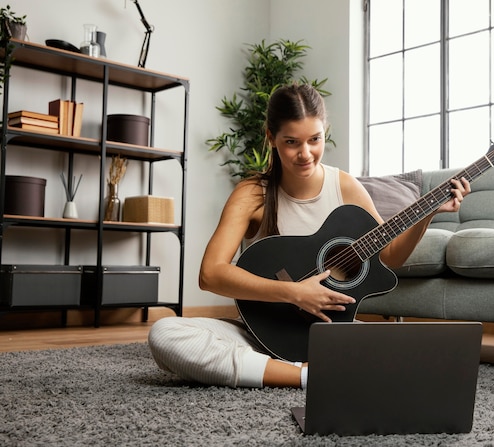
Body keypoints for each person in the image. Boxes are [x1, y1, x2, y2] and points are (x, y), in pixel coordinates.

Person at [148, 83, 470, 389]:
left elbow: (390, 256)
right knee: (165, 334)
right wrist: (294, 293)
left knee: (425, 354)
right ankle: (305, 376)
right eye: (292, 142)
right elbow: (211, 274)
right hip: (261, 333)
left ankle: (269, 370)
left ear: (324, 133)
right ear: (271, 138)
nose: (305, 153)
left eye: (314, 140)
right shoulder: (252, 194)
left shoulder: (344, 187)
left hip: (330, 334)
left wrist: (426, 213)